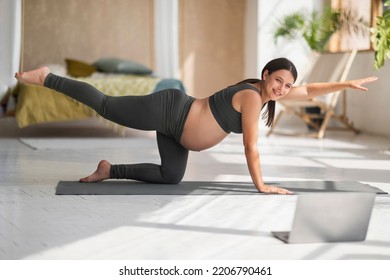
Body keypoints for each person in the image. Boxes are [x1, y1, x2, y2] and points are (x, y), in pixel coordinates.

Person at [15, 58, 377, 194]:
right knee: (107, 105)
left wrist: (344, 85)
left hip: (179, 133)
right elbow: (251, 147)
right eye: (278, 80)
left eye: (287, 85)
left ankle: (110, 170)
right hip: (171, 112)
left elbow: (310, 89)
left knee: (171, 176)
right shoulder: (252, 98)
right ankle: (49, 78)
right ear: (266, 75)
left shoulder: (267, 94)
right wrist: (262, 185)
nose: (282, 89)